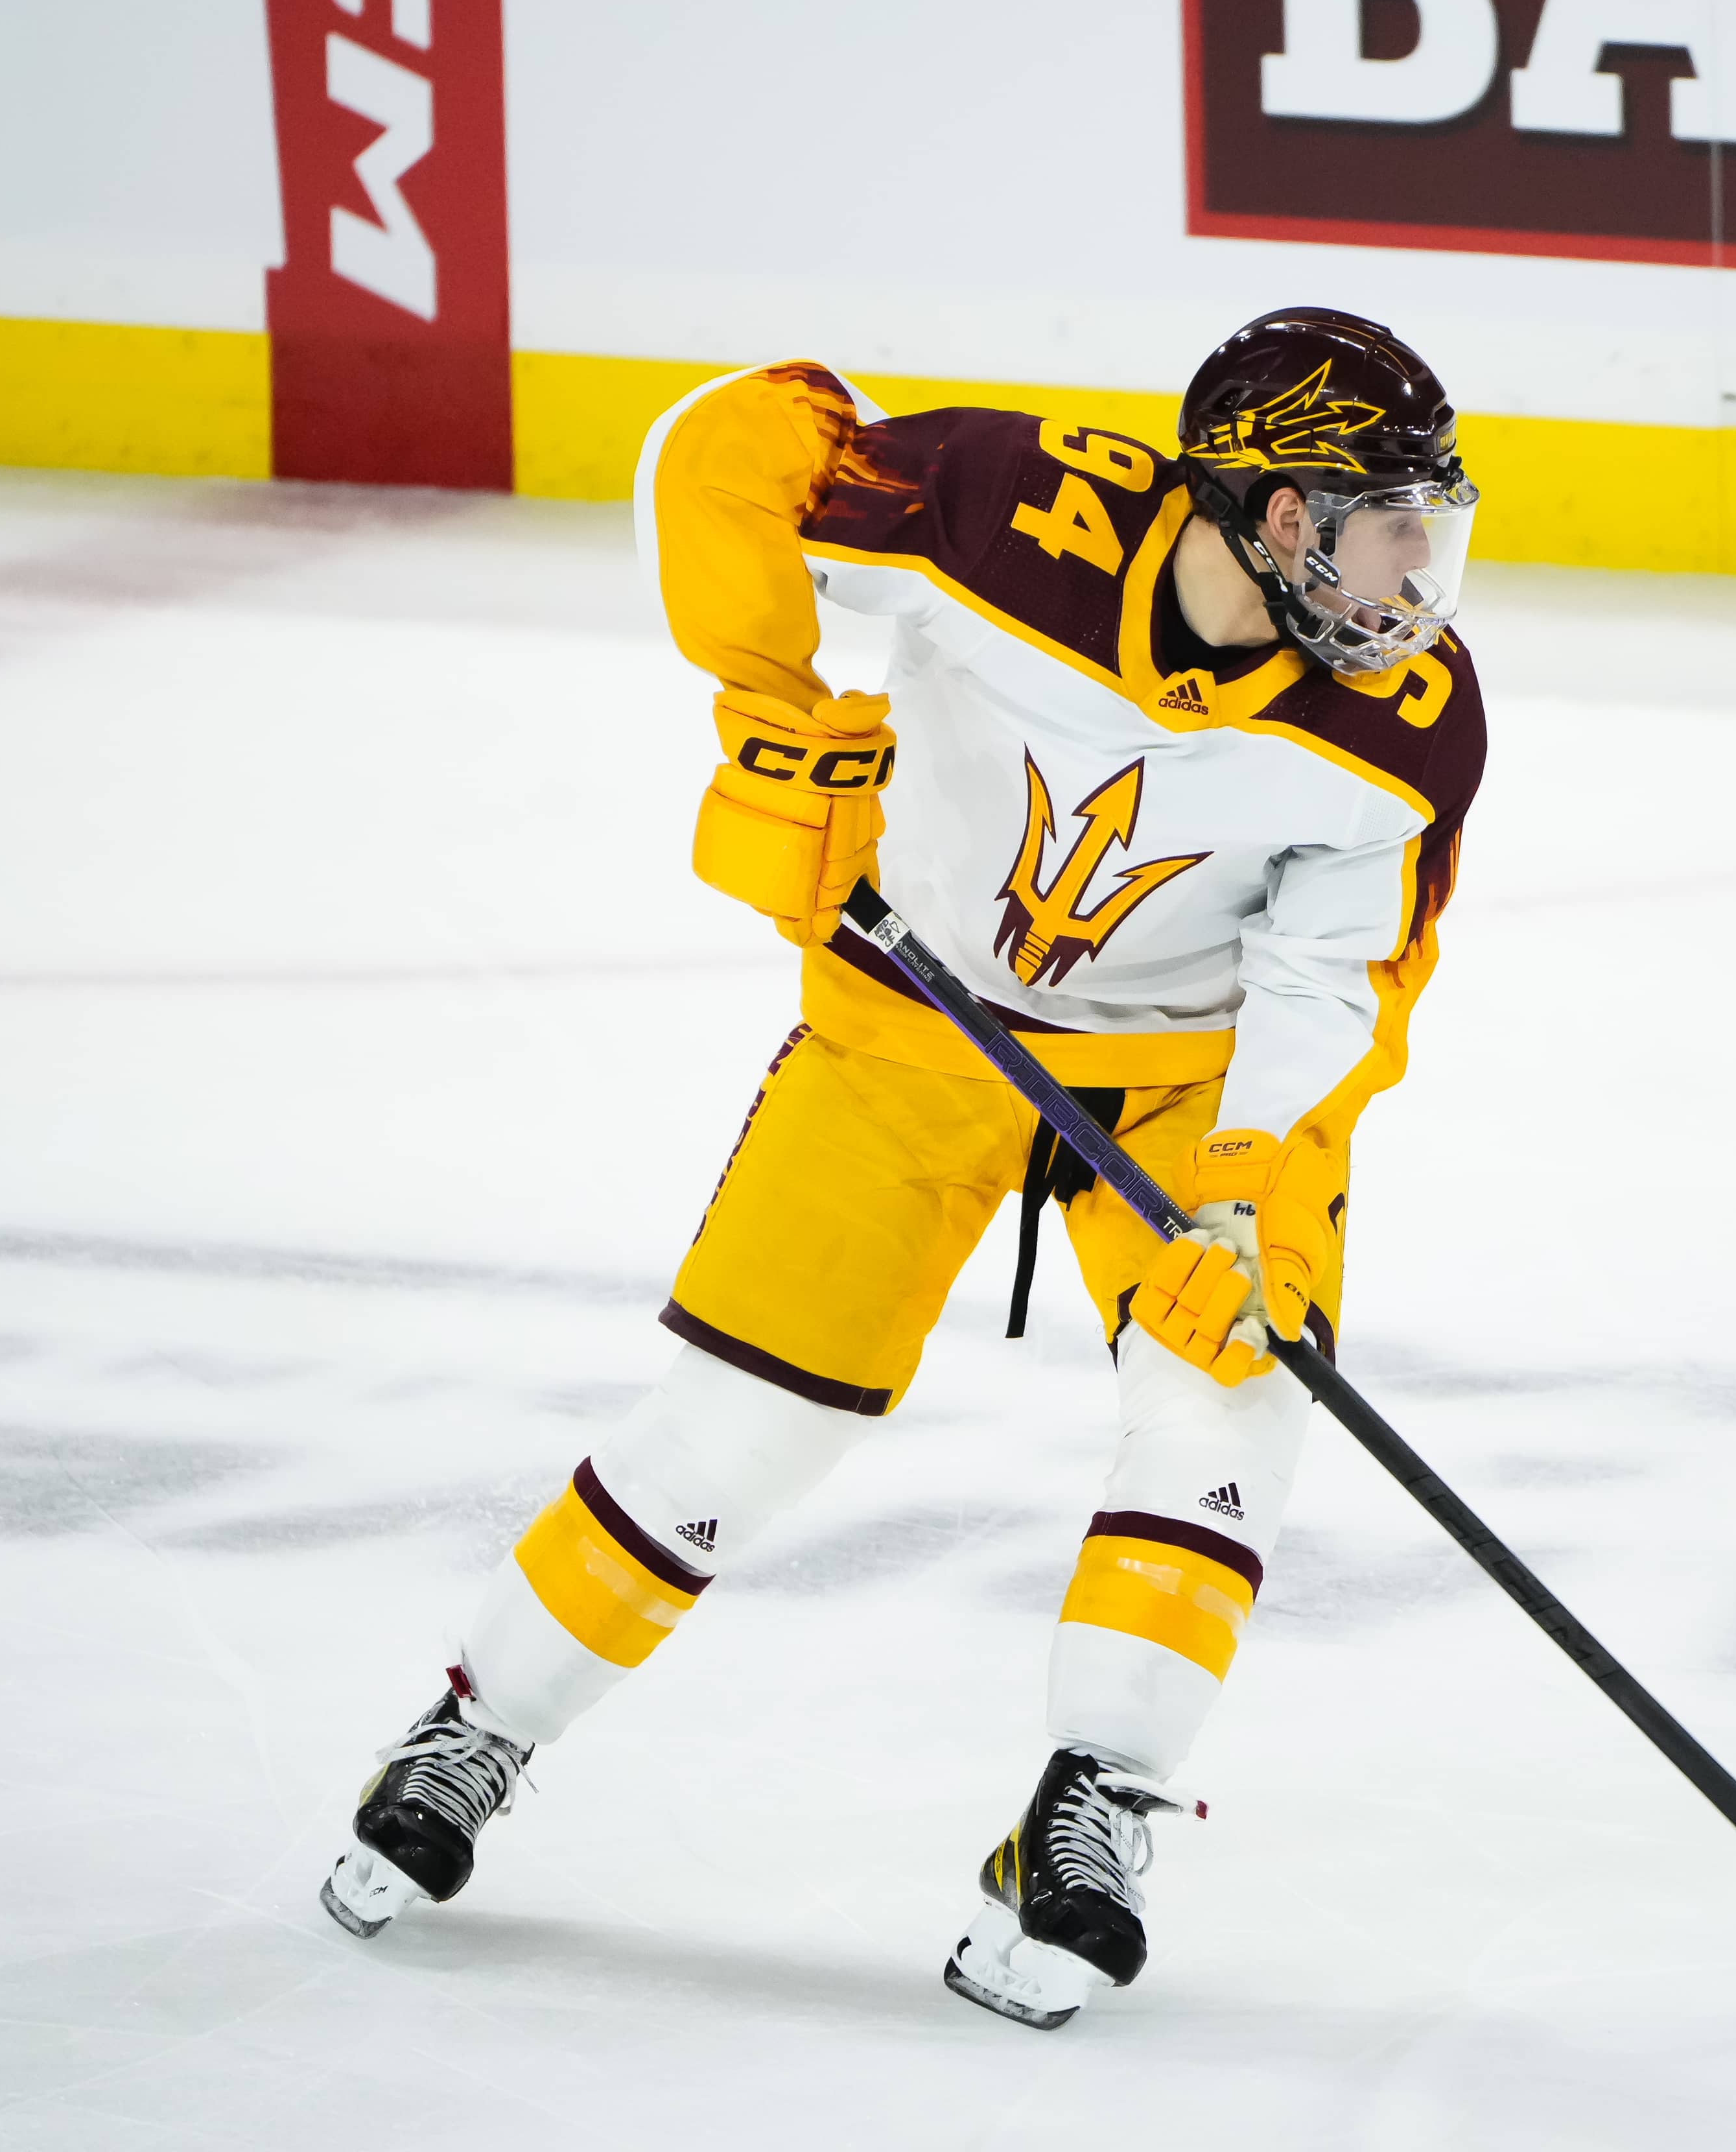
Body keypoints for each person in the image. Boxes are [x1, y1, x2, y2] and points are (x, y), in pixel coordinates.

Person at [318, 308, 1488, 2029]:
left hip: (1188, 1086)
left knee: (1230, 1388)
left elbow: (1341, 978)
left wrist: (1238, 1187)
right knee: (747, 1420)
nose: (1418, 572)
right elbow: (725, 439)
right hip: (905, 1021)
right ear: (1276, 514)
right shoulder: (993, 510)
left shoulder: (1409, 719)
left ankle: (1092, 1808)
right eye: (1387, 520)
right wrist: (770, 704)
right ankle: (479, 1721)